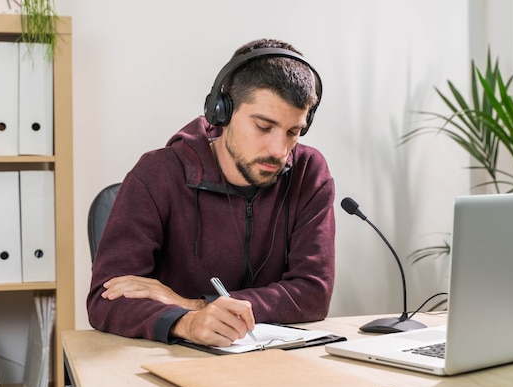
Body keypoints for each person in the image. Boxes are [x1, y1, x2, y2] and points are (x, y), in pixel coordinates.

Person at [87, 38, 336, 348]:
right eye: (263, 126)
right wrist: (186, 323)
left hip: (275, 363)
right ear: (222, 112)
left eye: (293, 131)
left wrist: (194, 305)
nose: (279, 150)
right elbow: (105, 299)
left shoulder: (308, 173)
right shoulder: (157, 173)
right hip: (170, 365)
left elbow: (313, 294)